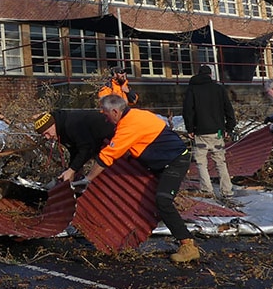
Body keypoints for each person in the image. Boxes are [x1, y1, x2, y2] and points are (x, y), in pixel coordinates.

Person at [85, 94, 199, 263]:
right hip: (163, 161)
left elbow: (108, 156)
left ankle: (188, 245)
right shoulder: (135, 115)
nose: (105, 118)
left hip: (175, 161)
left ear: (115, 111)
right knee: (154, 198)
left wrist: (87, 179)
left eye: (105, 114)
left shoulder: (129, 125)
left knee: (163, 200)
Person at [183, 65, 237, 199]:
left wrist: (189, 128)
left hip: (201, 133)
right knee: (220, 161)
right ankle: (227, 190)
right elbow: (228, 109)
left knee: (201, 162)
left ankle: (207, 190)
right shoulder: (219, 89)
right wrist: (229, 128)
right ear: (210, 75)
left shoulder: (192, 89)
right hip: (217, 132)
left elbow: (188, 111)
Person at [33, 109, 116, 183]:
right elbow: (75, 150)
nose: (47, 137)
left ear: (52, 124)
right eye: (44, 135)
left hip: (113, 135)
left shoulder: (71, 125)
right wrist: (72, 170)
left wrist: (72, 170)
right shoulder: (59, 130)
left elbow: (87, 148)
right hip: (99, 144)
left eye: (47, 133)